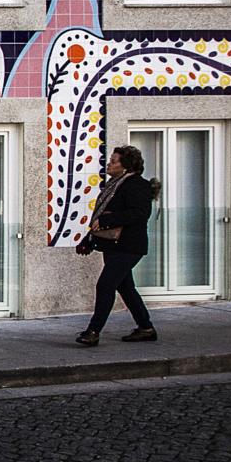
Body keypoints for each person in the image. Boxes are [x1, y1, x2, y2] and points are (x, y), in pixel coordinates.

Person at [75, 145, 159, 347]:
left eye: (114, 161)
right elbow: (100, 216)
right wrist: (89, 239)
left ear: (126, 166)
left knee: (106, 285)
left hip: (128, 246)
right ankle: (146, 328)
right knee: (126, 288)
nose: (109, 164)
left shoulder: (136, 185)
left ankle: (93, 331)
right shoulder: (115, 184)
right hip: (114, 245)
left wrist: (106, 221)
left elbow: (139, 213)